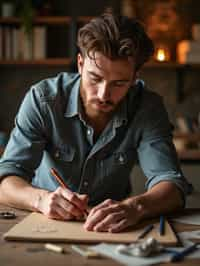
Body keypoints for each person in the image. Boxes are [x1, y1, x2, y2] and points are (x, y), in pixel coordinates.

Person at [0, 13, 190, 233]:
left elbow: (172, 185)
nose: (103, 94)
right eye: (95, 78)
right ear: (80, 64)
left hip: (114, 229)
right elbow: (5, 181)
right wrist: (41, 199)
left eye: (119, 83)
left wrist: (135, 207)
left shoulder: (147, 107)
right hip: (44, 224)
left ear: (136, 75)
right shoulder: (43, 100)